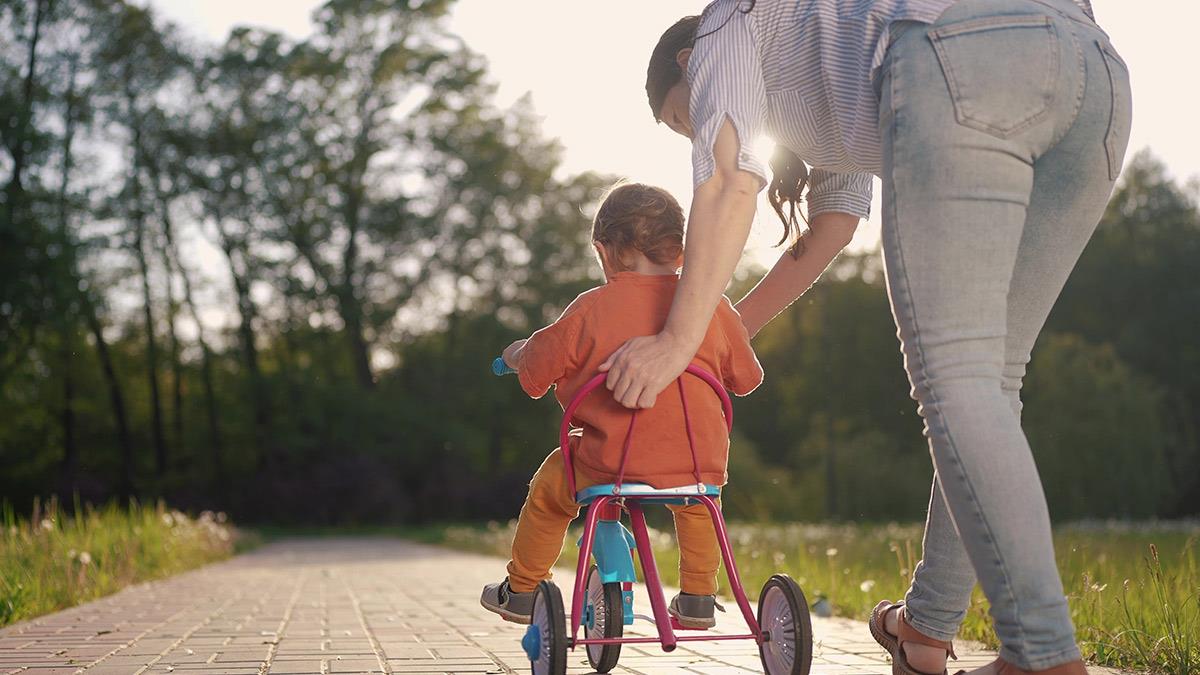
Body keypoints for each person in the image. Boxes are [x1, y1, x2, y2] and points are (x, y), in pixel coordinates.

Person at [621, 1, 1132, 673]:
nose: (695, 133)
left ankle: (1042, 654)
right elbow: (832, 224)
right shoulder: (826, 65)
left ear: (688, 63)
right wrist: (729, 328)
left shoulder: (725, 23)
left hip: (962, 54)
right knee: (989, 383)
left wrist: (674, 342)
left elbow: (726, 180)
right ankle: (928, 629)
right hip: (1094, 77)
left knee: (961, 380)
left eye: (685, 119)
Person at [479, 182, 763, 629]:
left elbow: (536, 371)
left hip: (610, 461)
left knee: (553, 488)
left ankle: (522, 589)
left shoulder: (591, 309)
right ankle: (698, 599)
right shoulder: (711, 307)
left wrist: (517, 354)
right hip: (695, 461)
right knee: (700, 502)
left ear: (604, 250)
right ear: (683, 251)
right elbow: (748, 378)